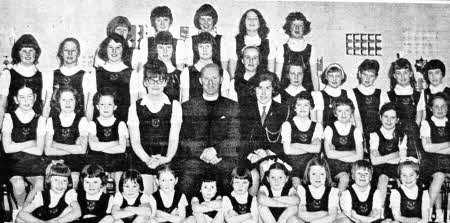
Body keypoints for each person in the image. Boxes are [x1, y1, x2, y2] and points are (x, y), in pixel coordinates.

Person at [180, 63, 240, 196]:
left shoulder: (232, 106)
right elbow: (184, 138)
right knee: (187, 176)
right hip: (196, 158)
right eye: (206, 79)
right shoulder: (187, 107)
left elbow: (234, 137)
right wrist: (202, 152)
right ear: (200, 81)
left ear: (221, 80)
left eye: (214, 78)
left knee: (228, 177)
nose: (210, 82)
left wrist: (216, 151)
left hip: (222, 157)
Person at [128, 60, 182, 194]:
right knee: (146, 197)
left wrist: (167, 158)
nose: (156, 84)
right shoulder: (135, 107)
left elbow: (173, 138)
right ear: (145, 82)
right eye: (152, 80)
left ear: (165, 82)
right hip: (142, 158)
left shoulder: (174, 105)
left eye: (160, 80)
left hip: (166, 159)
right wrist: (147, 159)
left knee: (164, 197)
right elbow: (135, 141)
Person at [239, 72, 289, 195]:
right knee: (253, 175)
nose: (263, 93)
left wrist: (266, 153)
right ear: (254, 89)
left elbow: (285, 140)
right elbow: (240, 138)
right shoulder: (244, 109)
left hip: (274, 155)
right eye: (259, 88)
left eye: (267, 88)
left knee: (267, 167)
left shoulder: (283, 110)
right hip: (249, 156)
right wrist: (252, 154)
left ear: (274, 89)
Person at [2, 84, 47, 207]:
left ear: (35, 97)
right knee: (18, 185)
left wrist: (15, 145)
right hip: (13, 161)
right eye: (22, 97)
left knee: (40, 185)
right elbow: (7, 148)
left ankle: (24, 213)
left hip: (34, 162)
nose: (27, 101)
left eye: (29, 96)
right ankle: (20, 208)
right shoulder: (8, 117)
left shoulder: (41, 119)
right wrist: (32, 142)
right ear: (16, 99)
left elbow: (39, 150)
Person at [0, 34, 52, 123]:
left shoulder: (43, 76)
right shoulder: (8, 74)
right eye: (24, 51)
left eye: (31, 50)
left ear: (36, 53)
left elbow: (44, 106)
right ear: (18, 53)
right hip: (12, 126)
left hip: (36, 127)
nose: (28, 54)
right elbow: (2, 105)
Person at [45, 87, 89, 189]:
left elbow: (82, 150)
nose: (68, 103)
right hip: (55, 160)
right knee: (53, 181)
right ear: (58, 102)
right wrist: (73, 148)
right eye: (64, 100)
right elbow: (47, 150)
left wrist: (55, 144)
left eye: (71, 100)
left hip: (75, 161)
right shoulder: (51, 120)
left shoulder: (82, 120)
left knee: (73, 182)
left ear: (76, 101)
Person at [369, 102, 408, 218]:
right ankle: (379, 212)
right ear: (380, 118)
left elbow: (402, 157)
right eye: (386, 117)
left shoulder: (401, 135)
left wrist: (383, 157)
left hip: (397, 166)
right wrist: (394, 154)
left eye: (393, 117)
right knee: (383, 178)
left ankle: (403, 213)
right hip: (380, 169)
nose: (389, 120)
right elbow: (375, 161)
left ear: (397, 120)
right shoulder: (374, 135)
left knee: (404, 179)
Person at [94, 33, 143, 122]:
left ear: (123, 50)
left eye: (118, 47)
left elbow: (133, 105)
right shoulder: (96, 72)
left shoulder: (132, 74)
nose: (114, 51)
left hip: (123, 121)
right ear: (105, 49)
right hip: (100, 122)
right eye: (110, 47)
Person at [87, 88, 128, 191]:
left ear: (115, 107)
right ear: (97, 106)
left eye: (109, 104)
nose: (106, 107)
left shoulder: (121, 124)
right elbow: (93, 146)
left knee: (119, 186)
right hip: (99, 164)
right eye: (102, 104)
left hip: (117, 163)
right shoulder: (92, 124)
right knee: (102, 189)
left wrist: (100, 147)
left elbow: (122, 149)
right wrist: (115, 143)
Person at [16, 161, 81, 223]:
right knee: (19, 219)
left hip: (59, 221)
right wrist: (42, 222)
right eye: (56, 180)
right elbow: (22, 213)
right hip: (43, 220)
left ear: (68, 182)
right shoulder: (42, 195)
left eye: (64, 180)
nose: (60, 184)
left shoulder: (69, 193)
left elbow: (78, 212)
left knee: (70, 210)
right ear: (49, 181)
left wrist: (58, 221)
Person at [281, 91, 322, 187]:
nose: (302, 108)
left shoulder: (317, 125)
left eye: (306, 105)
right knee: (297, 185)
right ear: (294, 108)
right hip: (292, 165)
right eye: (299, 105)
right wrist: (309, 148)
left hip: (310, 166)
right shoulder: (287, 124)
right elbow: (287, 150)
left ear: (311, 107)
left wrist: (295, 145)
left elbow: (316, 149)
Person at [419, 92, 450, 222]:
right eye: (436, 106)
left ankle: (445, 216)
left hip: (448, 162)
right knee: (439, 176)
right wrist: (448, 144)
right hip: (431, 162)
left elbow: (433, 146)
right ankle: (426, 214)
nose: (440, 109)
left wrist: (436, 146)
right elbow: (427, 148)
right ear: (430, 108)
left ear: (448, 108)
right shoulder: (426, 124)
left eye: (443, 106)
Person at [387, 58, 425, 160]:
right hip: (395, 133)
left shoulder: (418, 95)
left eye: (405, 72)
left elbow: (419, 119)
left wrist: (411, 136)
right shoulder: (389, 95)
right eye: (399, 73)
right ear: (394, 76)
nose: (402, 76)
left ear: (411, 74)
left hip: (413, 134)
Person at [323, 98, 363, 193]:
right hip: (333, 167)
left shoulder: (356, 131)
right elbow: (329, 155)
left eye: (347, 110)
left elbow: (359, 157)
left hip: (352, 166)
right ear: (335, 113)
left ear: (352, 112)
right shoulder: (329, 129)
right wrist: (351, 153)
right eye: (340, 111)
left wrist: (336, 154)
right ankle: (337, 203)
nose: (344, 114)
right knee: (344, 177)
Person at [50, 37, 96, 119]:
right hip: (56, 122)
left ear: (78, 53)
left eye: (73, 50)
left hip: (77, 122)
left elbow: (88, 105)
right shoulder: (52, 74)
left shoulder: (86, 75)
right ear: (61, 53)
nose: (70, 53)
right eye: (66, 50)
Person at [350, 59, 390, 153]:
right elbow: (355, 118)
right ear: (359, 74)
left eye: (371, 76)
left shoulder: (382, 94)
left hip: (379, 137)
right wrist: (361, 139)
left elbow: (386, 119)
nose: (367, 79)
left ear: (376, 77)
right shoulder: (351, 93)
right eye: (365, 74)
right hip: (359, 136)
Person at [180, 32, 231, 103]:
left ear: (213, 48)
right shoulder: (186, 72)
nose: (204, 50)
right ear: (196, 49)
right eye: (201, 46)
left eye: (207, 46)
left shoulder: (223, 73)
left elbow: (225, 102)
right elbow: (184, 100)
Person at [275, 12, 318, 91]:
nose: (297, 28)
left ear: (304, 28)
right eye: (294, 25)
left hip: (306, 93)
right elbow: (278, 75)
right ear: (289, 27)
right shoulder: (282, 48)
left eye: (300, 26)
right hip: (285, 92)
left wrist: (317, 94)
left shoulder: (311, 48)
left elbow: (314, 75)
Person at [228, 9, 276, 79]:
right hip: (241, 83)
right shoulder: (235, 41)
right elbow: (232, 73)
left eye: (255, 19)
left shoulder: (269, 43)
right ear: (244, 22)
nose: (252, 21)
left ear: (260, 22)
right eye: (248, 19)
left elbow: (270, 71)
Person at [134, 6, 186, 70]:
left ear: (170, 21)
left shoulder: (179, 43)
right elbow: (141, 67)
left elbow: (180, 69)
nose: (162, 24)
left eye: (165, 20)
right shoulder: (145, 42)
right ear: (154, 22)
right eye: (158, 20)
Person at [316, 63, 362, 129]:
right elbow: (319, 122)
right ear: (326, 77)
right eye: (331, 76)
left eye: (337, 76)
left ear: (342, 77)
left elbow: (356, 117)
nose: (334, 79)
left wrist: (360, 134)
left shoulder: (349, 93)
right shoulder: (319, 95)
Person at [294, 157, 340, 223]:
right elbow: (302, 214)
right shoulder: (302, 190)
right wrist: (323, 214)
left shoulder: (333, 191)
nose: (317, 177)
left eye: (321, 174)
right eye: (314, 174)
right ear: (308, 174)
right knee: (292, 219)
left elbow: (332, 217)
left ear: (326, 175)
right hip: (307, 221)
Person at [186, 4, 228, 70]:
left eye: (209, 19)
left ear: (213, 20)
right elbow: (189, 67)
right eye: (202, 19)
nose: (206, 23)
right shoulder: (190, 40)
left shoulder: (222, 40)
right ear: (198, 20)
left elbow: (224, 68)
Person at [153, 31, 182, 102]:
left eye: (168, 47)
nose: (165, 51)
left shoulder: (180, 74)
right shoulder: (148, 71)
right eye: (161, 47)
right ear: (156, 49)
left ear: (173, 49)